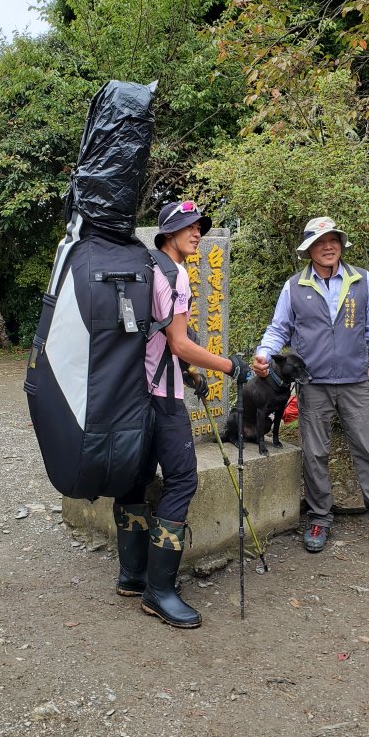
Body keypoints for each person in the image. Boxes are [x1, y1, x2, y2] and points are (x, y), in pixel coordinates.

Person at [112, 200, 250, 629]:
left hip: (129, 393)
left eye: (199, 226)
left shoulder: (144, 269)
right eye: (188, 227)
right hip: (161, 397)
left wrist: (188, 372)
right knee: (183, 479)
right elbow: (179, 342)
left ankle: (133, 576)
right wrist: (231, 366)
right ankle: (159, 591)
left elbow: (156, 339)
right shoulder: (174, 275)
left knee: (135, 479)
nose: (197, 232)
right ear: (168, 233)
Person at [253, 217, 369, 557]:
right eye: (321, 242)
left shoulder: (362, 280)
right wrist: (263, 354)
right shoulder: (294, 286)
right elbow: (279, 329)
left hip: (353, 381)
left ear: (340, 244)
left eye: (333, 239)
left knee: (367, 450)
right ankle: (320, 516)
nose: (329, 246)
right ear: (309, 250)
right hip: (313, 383)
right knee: (316, 454)